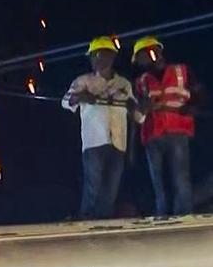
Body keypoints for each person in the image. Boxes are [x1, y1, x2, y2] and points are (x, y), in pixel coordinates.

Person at [62, 36, 139, 219]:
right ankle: (87, 220)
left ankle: (104, 222)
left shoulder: (123, 84)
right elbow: (65, 102)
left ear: (111, 56)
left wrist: (136, 107)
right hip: (94, 140)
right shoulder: (84, 81)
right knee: (93, 186)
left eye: (100, 55)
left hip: (118, 141)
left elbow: (138, 115)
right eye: (94, 56)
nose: (97, 60)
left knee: (111, 187)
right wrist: (80, 97)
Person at [132, 36, 203, 216]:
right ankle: (162, 212)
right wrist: (144, 108)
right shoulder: (141, 81)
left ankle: (184, 213)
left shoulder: (181, 71)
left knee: (180, 176)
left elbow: (199, 94)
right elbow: (137, 115)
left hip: (177, 129)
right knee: (158, 179)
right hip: (152, 134)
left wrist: (192, 107)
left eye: (140, 57)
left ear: (151, 53)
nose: (139, 62)